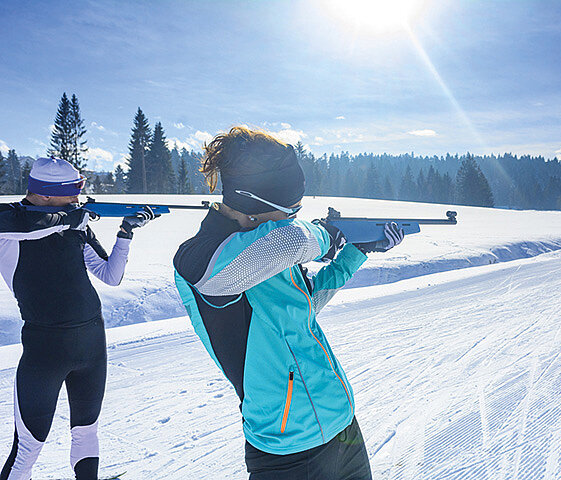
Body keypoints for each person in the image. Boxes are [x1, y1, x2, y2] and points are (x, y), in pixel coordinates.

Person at [173, 126, 404, 479]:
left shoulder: (268, 247)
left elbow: (303, 307)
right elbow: (288, 241)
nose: (293, 218)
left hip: (342, 426)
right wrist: (325, 234)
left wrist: (356, 252)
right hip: (285, 451)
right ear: (255, 204)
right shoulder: (199, 258)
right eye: (290, 210)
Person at [0, 157, 157, 480]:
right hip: (45, 350)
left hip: (91, 343)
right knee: (29, 447)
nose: (77, 200)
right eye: (71, 193)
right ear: (43, 194)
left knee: (87, 432)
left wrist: (125, 233)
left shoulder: (75, 223)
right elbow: (33, 226)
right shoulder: (8, 221)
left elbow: (110, 275)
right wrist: (73, 219)